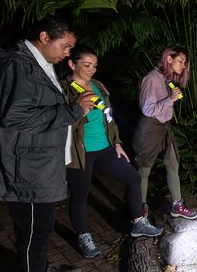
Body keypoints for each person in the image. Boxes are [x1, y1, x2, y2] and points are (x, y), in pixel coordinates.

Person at [0, 18, 96, 272]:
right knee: (33, 232)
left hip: (40, 164)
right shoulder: (17, 66)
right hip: (27, 169)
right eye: (64, 45)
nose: (68, 53)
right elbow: (14, 116)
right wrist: (73, 110)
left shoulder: (36, 64)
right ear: (43, 36)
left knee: (38, 230)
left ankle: (39, 271)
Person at [60, 44, 164, 259]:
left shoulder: (97, 85)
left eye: (95, 66)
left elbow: (109, 117)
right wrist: (80, 110)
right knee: (81, 195)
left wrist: (116, 142)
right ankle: (83, 236)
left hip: (104, 147)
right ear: (72, 64)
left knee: (133, 178)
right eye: (86, 65)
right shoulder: (63, 90)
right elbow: (60, 123)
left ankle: (138, 222)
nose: (92, 70)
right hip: (80, 151)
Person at [132, 46, 197, 220]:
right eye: (181, 61)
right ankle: (140, 211)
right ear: (169, 59)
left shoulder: (165, 79)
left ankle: (177, 205)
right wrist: (170, 99)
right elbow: (147, 109)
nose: (183, 66)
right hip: (150, 127)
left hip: (164, 126)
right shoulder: (151, 79)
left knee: (173, 163)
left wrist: (170, 99)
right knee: (144, 170)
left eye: (185, 63)